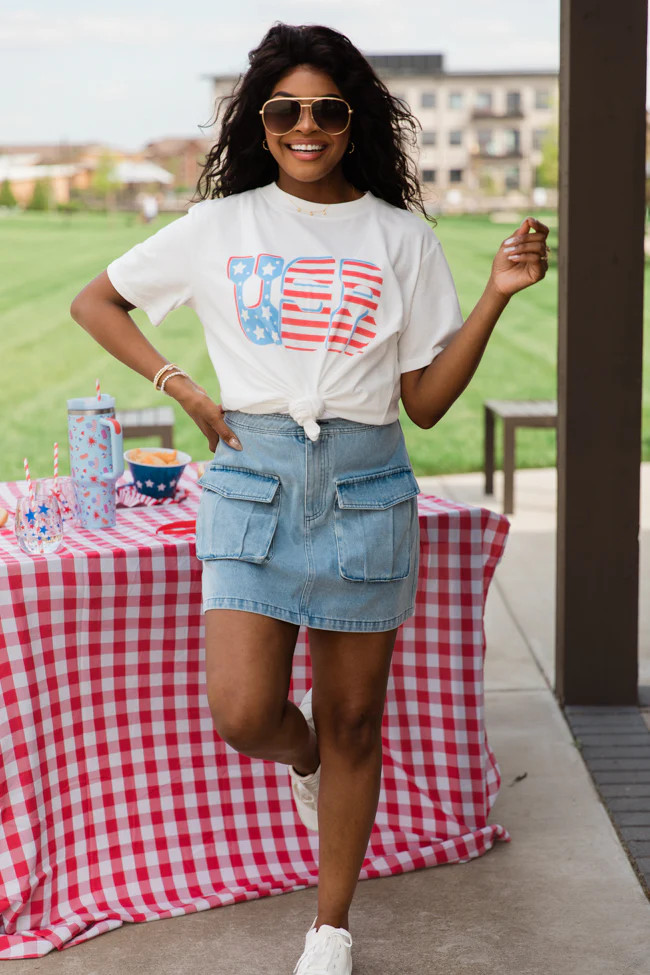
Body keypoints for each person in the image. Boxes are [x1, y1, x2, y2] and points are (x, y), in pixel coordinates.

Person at [70, 22, 549, 975]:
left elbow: (422, 401)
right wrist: (185, 388)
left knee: (356, 722)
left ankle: (331, 927)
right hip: (254, 479)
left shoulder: (400, 236)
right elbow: (98, 301)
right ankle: (303, 768)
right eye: (284, 109)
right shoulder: (220, 225)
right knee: (245, 710)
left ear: (351, 120)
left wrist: (495, 295)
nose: (305, 126)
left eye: (326, 109)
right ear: (260, 120)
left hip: (367, 483)